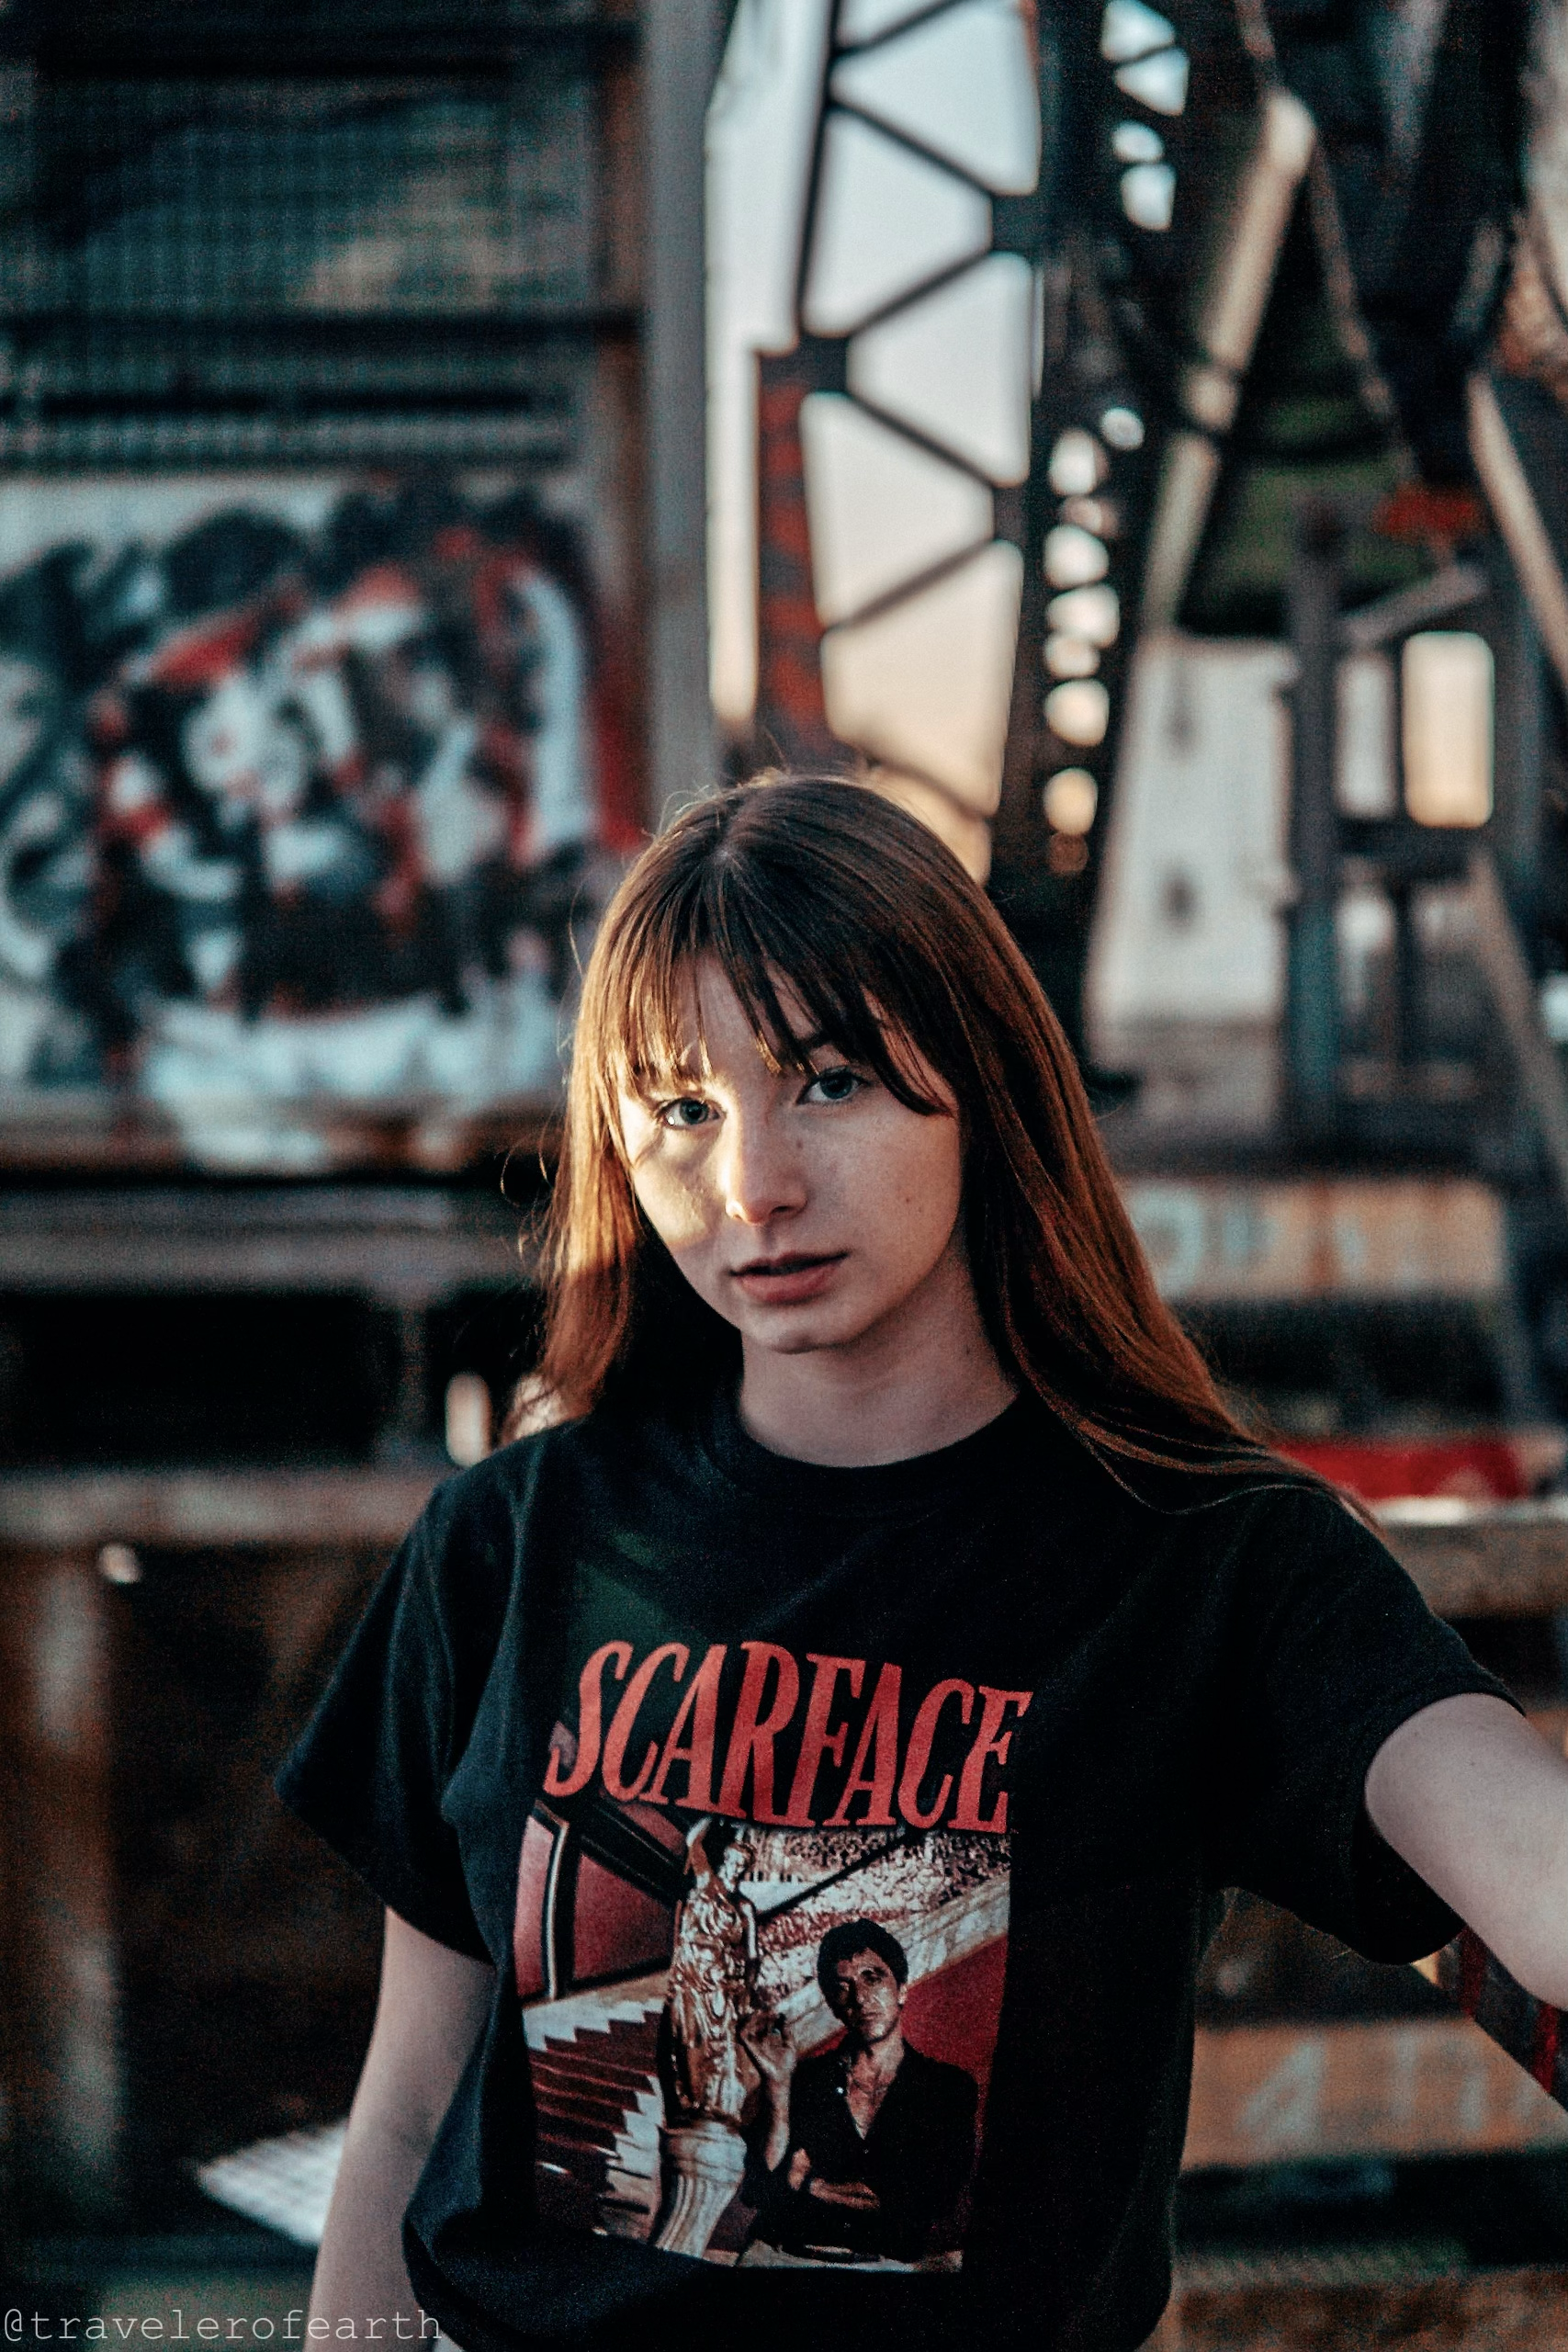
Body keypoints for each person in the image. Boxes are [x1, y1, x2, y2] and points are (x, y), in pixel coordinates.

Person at [277, 775, 1568, 2352]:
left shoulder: (1204, 1561)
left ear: (984, 1083)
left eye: (826, 1080)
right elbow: (408, 2112)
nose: (752, 1182)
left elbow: (1525, 1861)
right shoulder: (513, 1540)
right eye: (684, 1108)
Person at [740, 1918, 978, 2267]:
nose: (861, 1998)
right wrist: (778, 2087)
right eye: (843, 1986)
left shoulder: (946, 2088)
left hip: (880, 2268)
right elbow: (762, 2189)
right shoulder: (804, 2079)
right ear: (832, 2003)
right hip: (783, 2257)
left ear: (901, 1988)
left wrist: (811, 2186)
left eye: (873, 1977)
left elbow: (931, 2201)